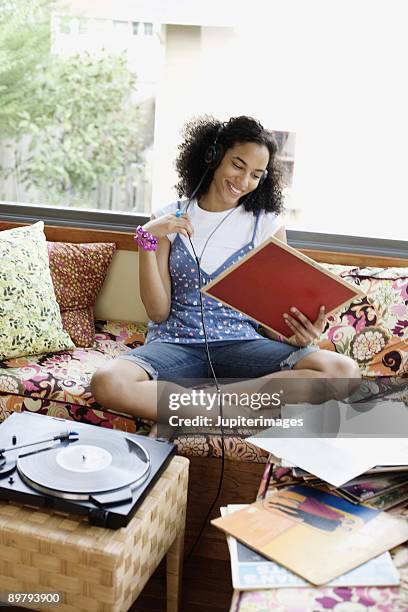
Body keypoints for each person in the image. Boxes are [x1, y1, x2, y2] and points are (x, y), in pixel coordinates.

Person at [91, 116, 361, 421]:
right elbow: (157, 312)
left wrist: (295, 336)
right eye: (238, 165)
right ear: (214, 155)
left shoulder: (267, 226)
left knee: (343, 372)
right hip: (175, 344)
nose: (244, 181)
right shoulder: (169, 217)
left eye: (256, 174)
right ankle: (227, 410)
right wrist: (146, 241)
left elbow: (272, 324)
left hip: (241, 345)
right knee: (108, 381)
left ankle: (205, 407)